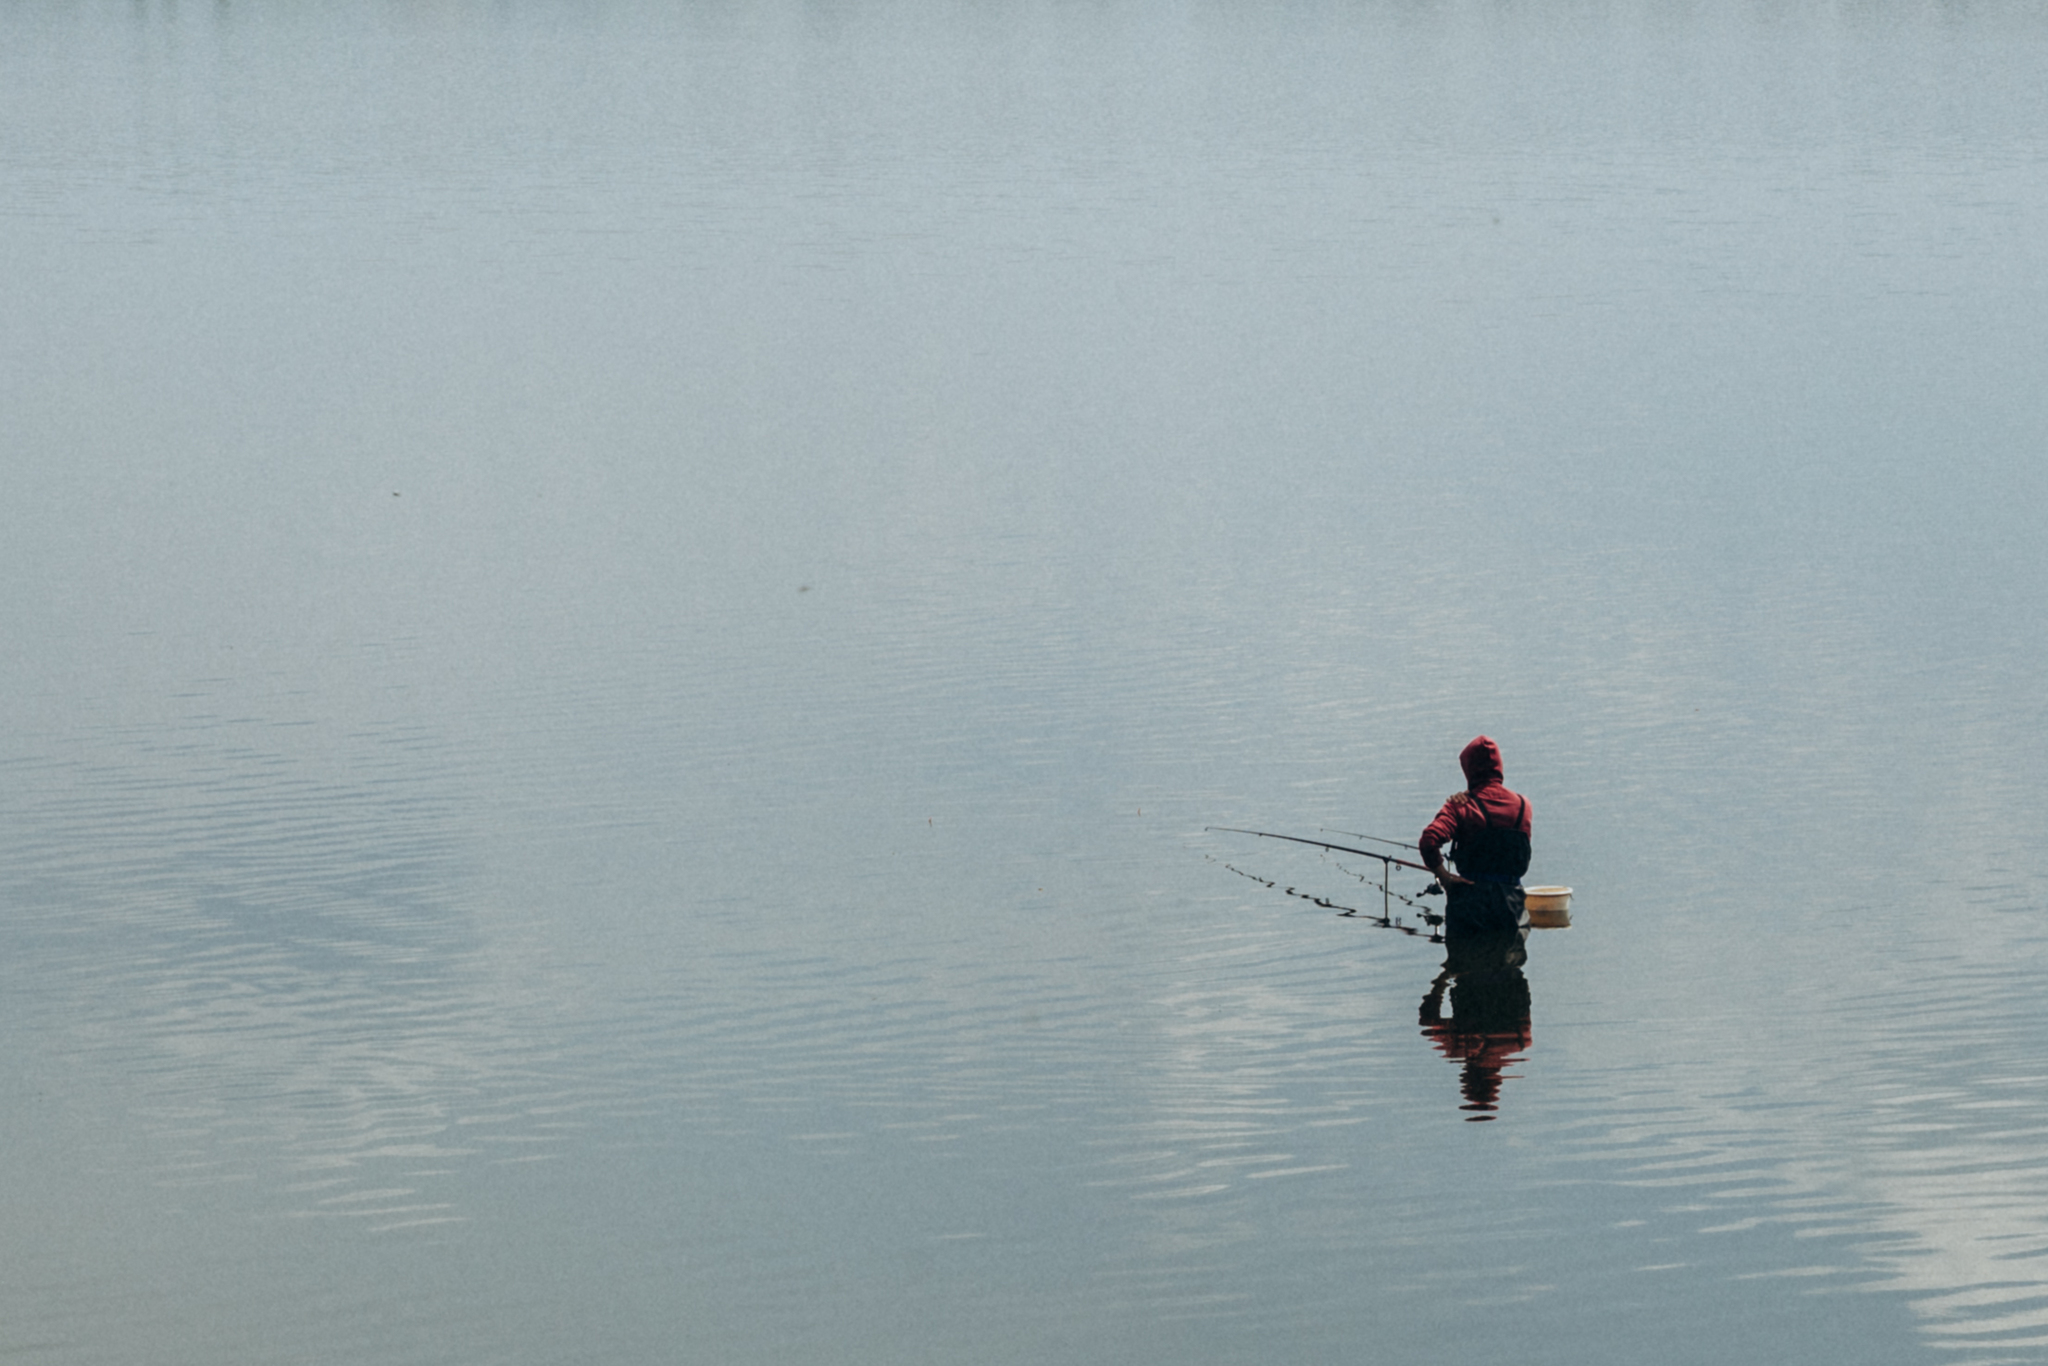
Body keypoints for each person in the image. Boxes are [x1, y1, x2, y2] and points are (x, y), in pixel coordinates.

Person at [1419, 735, 1532, 939]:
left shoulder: (1460, 806)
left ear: (1468, 769)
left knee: (1465, 968)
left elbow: (1428, 841)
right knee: (1511, 968)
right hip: (1512, 908)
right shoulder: (1524, 806)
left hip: (1470, 909)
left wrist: (1445, 879)